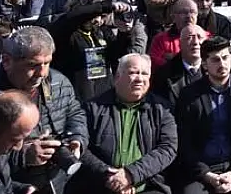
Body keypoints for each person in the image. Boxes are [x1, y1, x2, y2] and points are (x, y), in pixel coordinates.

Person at [0, 26, 88, 194]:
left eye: (47, 63)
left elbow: (75, 112)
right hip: (9, 181)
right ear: (7, 61)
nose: (42, 73)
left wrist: (77, 138)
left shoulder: (57, 81)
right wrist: (24, 156)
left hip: (53, 182)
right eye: (32, 65)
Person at [73, 54, 178, 194]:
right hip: (100, 184)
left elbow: (168, 148)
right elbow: (82, 148)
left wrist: (131, 174)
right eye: (133, 72)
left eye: (145, 73)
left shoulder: (162, 109)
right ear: (117, 77)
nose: (140, 79)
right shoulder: (92, 108)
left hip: (147, 185)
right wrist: (109, 176)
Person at [173, 37, 231, 194]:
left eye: (225, 57)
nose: (221, 64)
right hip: (202, 170)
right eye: (215, 60)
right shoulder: (189, 95)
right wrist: (207, 175)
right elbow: (185, 143)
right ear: (204, 65)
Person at [155, 24, 208, 105]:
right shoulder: (164, 74)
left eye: (200, 37)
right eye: (189, 37)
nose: (196, 42)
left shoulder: (214, 69)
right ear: (180, 43)